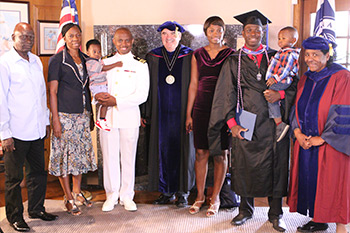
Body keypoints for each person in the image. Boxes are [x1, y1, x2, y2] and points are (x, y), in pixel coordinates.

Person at [208, 10, 297, 232]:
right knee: (244, 167)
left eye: (257, 30)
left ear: (263, 32)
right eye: (249, 30)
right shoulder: (233, 61)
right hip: (245, 123)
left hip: (273, 124)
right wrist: (232, 125)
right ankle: (245, 210)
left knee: (276, 168)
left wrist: (281, 95)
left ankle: (276, 214)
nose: (254, 34)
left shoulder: (278, 56)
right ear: (243, 33)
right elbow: (225, 95)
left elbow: (294, 85)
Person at [287, 36, 350, 233]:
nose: (310, 59)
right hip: (306, 141)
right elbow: (296, 107)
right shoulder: (306, 77)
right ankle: (319, 218)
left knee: (335, 182)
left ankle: (342, 225)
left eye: (315, 55)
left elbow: (344, 111)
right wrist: (297, 132)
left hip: (331, 143)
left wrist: (322, 138)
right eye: (307, 54)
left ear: (327, 55)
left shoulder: (342, 77)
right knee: (313, 180)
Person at [0, 22, 58, 232]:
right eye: (23, 36)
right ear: (13, 37)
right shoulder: (5, 63)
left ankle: (36, 209)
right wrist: (4, 133)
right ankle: (14, 217)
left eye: (31, 37)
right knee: (14, 179)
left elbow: (41, 95)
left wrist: (45, 121)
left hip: (36, 129)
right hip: (15, 131)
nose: (28, 40)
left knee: (37, 173)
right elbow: (1, 101)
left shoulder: (35, 61)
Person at [142, 21, 195, 208]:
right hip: (160, 113)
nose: (168, 37)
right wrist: (145, 112)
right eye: (164, 33)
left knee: (184, 151)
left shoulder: (190, 56)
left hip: (183, 114)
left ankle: (183, 192)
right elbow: (146, 87)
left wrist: (192, 113)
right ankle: (165, 191)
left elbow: (195, 85)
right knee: (162, 149)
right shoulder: (153, 56)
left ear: (179, 35)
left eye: (172, 33)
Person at [97, 28, 149, 212]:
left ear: (132, 41)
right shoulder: (104, 62)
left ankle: (127, 195)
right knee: (110, 157)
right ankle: (111, 195)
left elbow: (142, 94)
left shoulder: (140, 64)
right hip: (108, 117)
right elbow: (95, 85)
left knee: (128, 158)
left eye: (127, 40)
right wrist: (101, 98)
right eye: (120, 41)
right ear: (113, 41)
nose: (124, 44)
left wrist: (117, 101)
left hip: (128, 117)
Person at [186, 16, 234, 217]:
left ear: (224, 32)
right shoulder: (197, 54)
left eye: (219, 30)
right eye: (211, 30)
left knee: (221, 153)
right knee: (201, 153)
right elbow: (194, 84)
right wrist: (189, 114)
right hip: (202, 107)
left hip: (223, 108)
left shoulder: (231, 54)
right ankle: (199, 196)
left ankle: (215, 198)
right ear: (206, 33)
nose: (215, 34)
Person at [48, 23, 97, 216]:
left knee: (79, 157)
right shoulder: (57, 60)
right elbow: (52, 92)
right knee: (64, 158)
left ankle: (77, 193)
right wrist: (56, 121)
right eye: (71, 36)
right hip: (65, 117)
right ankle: (68, 198)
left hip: (83, 115)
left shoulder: (86, 59)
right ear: (64, 37)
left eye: (78, 35)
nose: (75, 39)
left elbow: (89, 87)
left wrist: (91, 115)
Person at [265, 26, 300, 142]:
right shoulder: (282, 52)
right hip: (280, 80)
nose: (280, 41)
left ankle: (279, 123)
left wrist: (274, 79)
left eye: (283, 38)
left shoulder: (289, 54)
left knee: (270, 96)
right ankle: (279, 123)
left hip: (282, 81)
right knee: (270, 96)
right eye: (279, 38)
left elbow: (284, 70)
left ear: (293, 40)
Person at [85, 39, 123, 131]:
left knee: (106, 103)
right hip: (97, 86)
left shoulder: (98, 60)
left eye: (99, 51)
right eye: (94, 51)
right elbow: (103, 68)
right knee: (106, 101)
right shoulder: (90, 62)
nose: (97, 53)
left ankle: (102, 120)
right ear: (88, 52)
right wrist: (116, 64)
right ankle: (101, 120)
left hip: (102, 86)